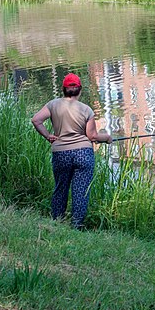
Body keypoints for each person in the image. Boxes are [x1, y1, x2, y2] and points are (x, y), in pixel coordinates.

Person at [32, 73, 112, 229]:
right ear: (80, 90)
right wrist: (107, 138)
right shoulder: (86, 109)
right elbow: (92, 136)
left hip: (60, 153)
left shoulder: (53, 105)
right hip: (83, 153)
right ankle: (77, 225)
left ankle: (56, 222)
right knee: (81, 191)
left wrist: (48, 136)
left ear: (63, 89)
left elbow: (36, 120)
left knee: (61, 188)